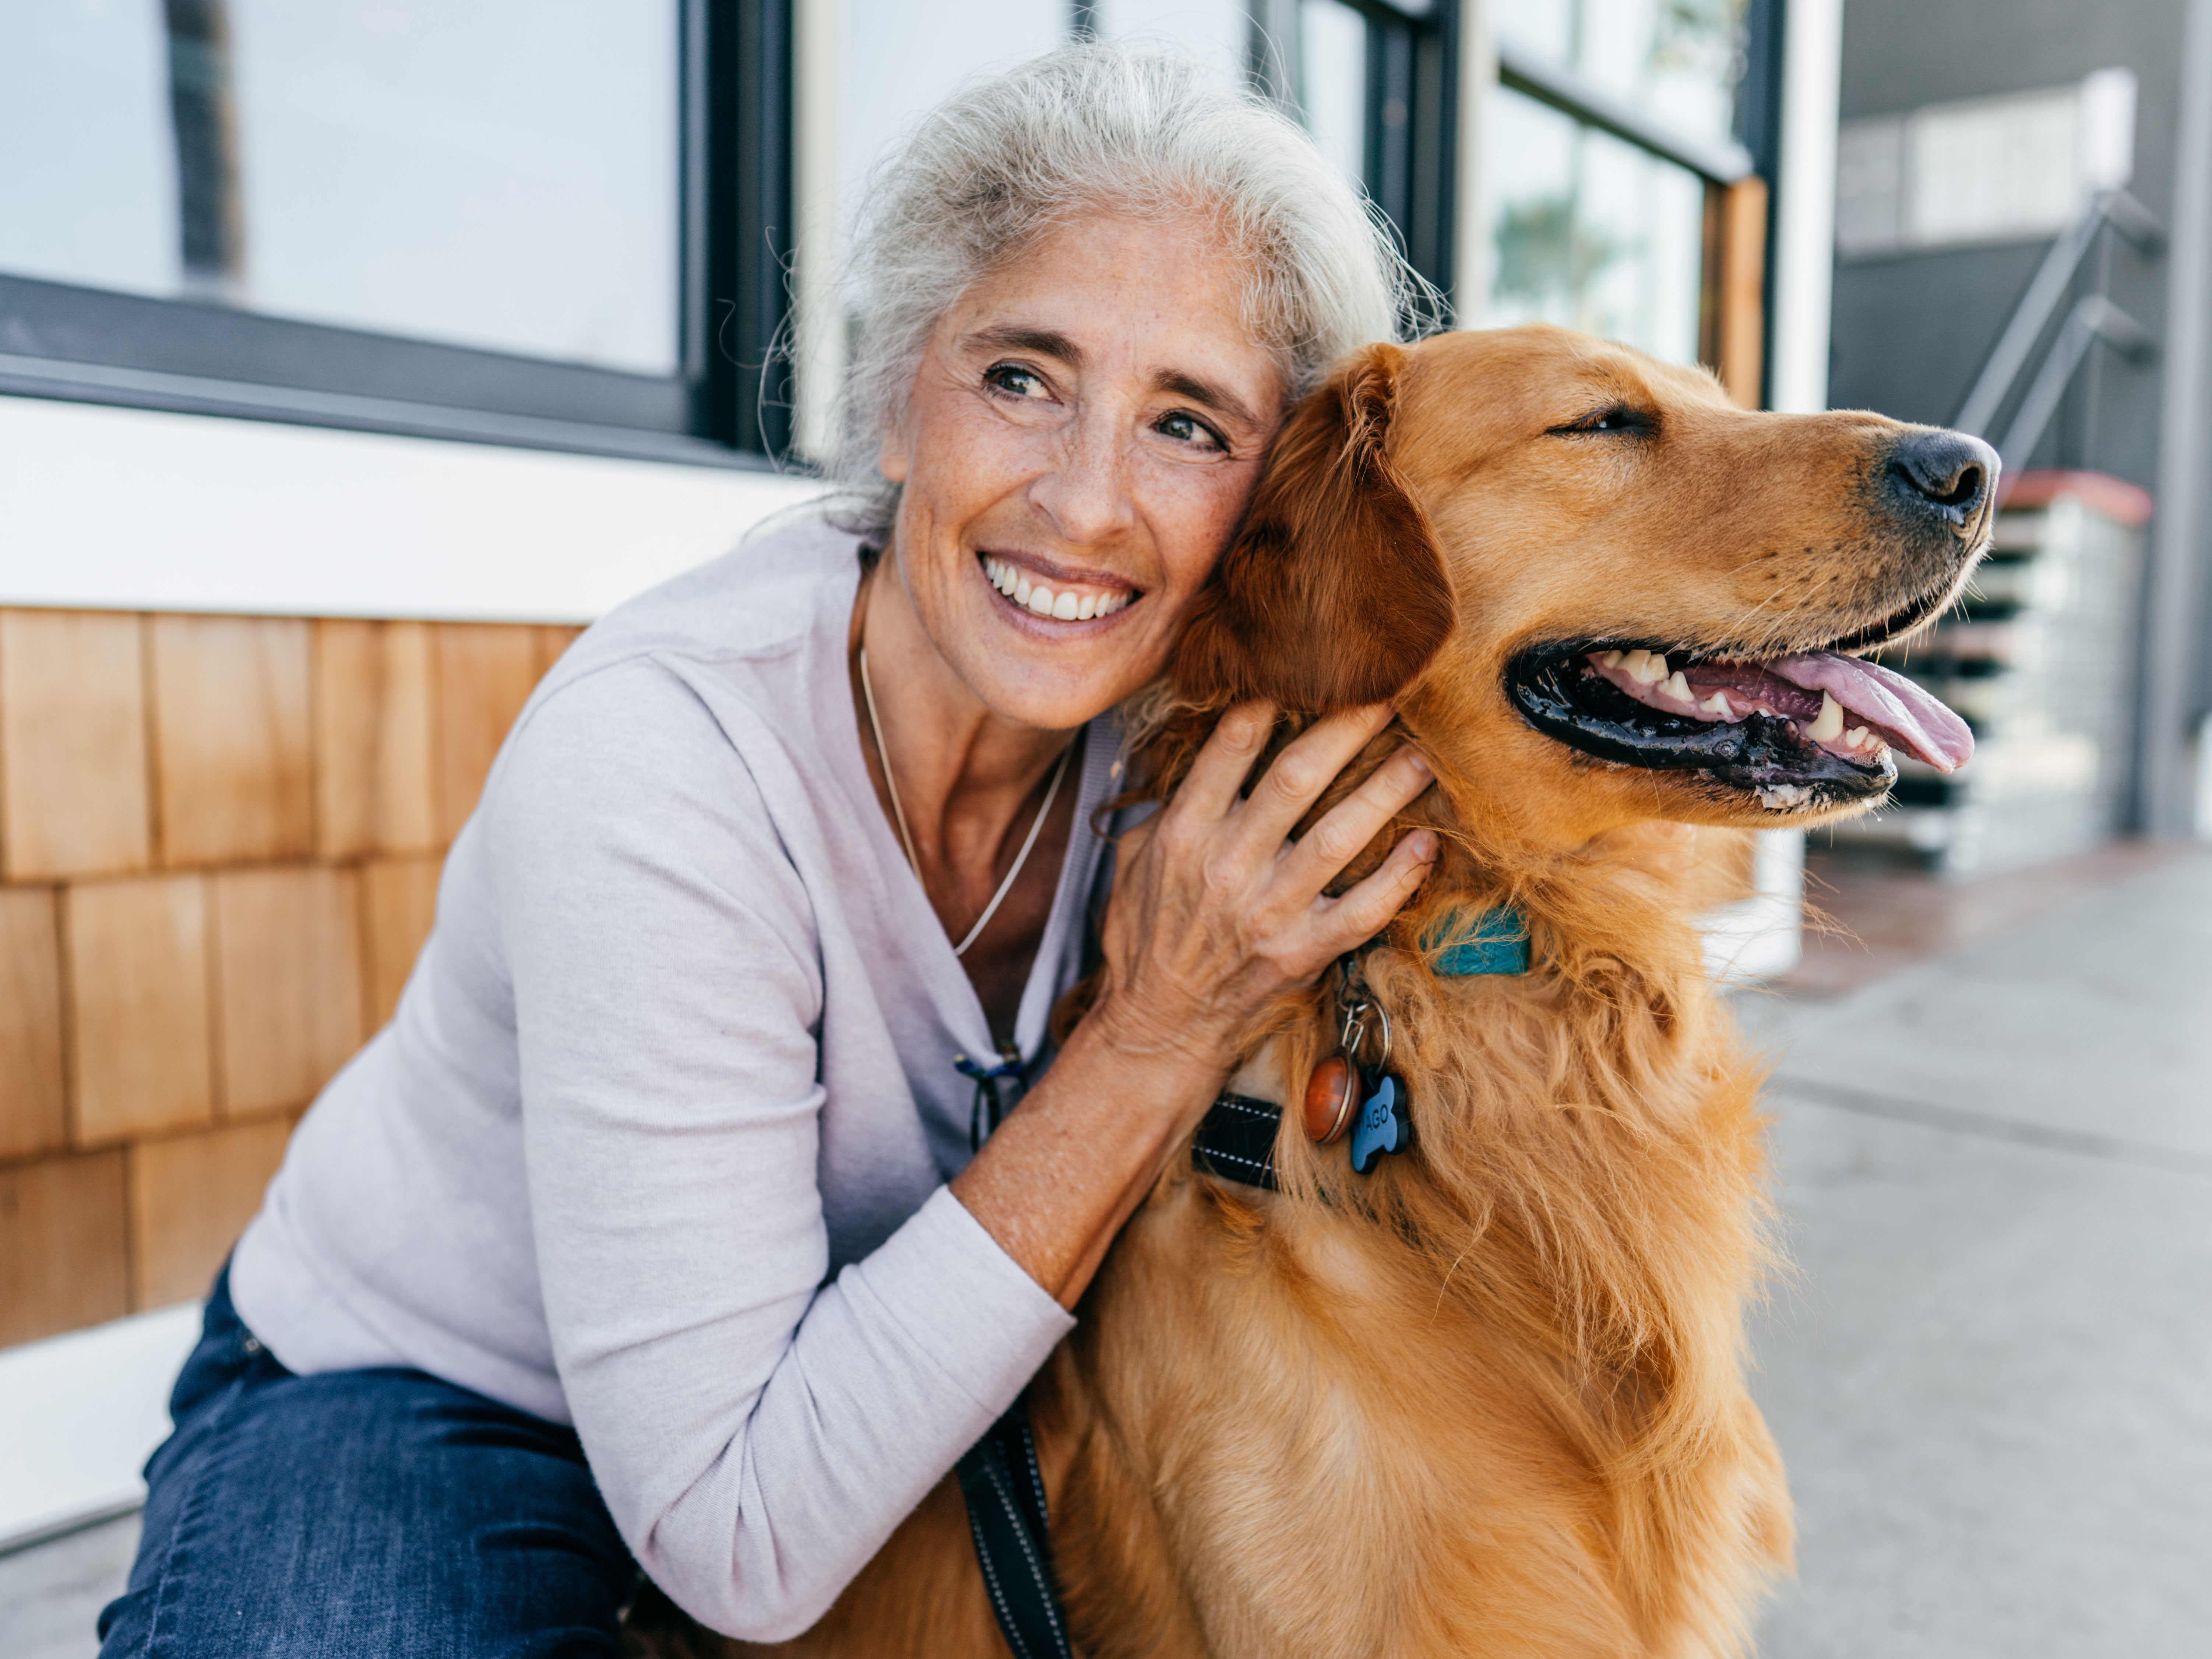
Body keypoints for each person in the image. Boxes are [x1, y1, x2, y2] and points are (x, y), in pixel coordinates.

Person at [99, 45, 1439, 1657]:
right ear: (895, 402)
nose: (1086, 505)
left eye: (1188, 421)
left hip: (911, 1384)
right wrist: (1154, 1033)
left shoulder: (1192, 742)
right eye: (1021, 376)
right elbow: (739, 1537)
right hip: (436, 1391)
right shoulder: (660, 757)